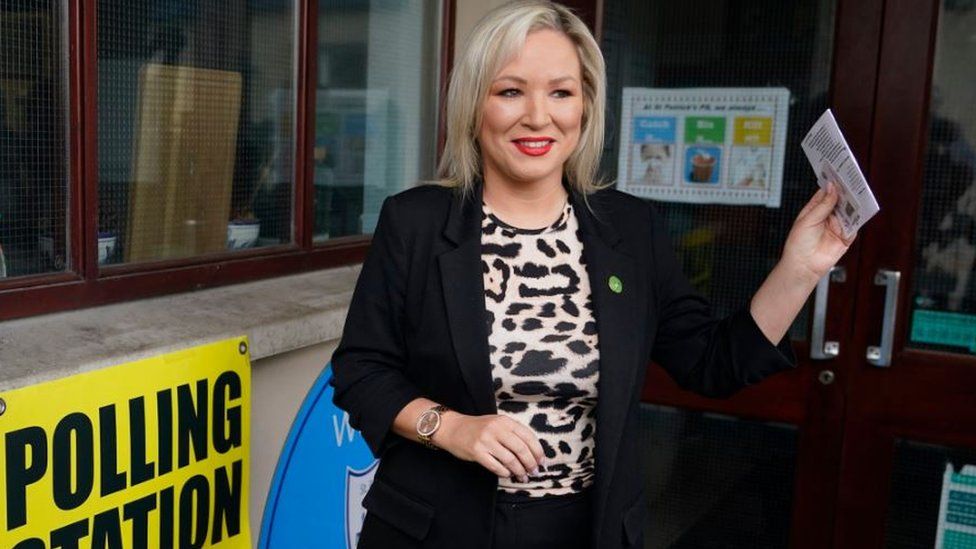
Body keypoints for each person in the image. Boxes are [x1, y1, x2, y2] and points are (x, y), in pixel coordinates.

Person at [329, 2, 856, 548]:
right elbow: (361, 370)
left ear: (585, 106)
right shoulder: (415, 222)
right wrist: (453, 428)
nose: (538, 116)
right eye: (510, 91)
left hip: (587, 531)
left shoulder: (630, 229)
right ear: (473, 105)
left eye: (561, 92)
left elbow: (713, 363)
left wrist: (800, 268)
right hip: (437, 530)